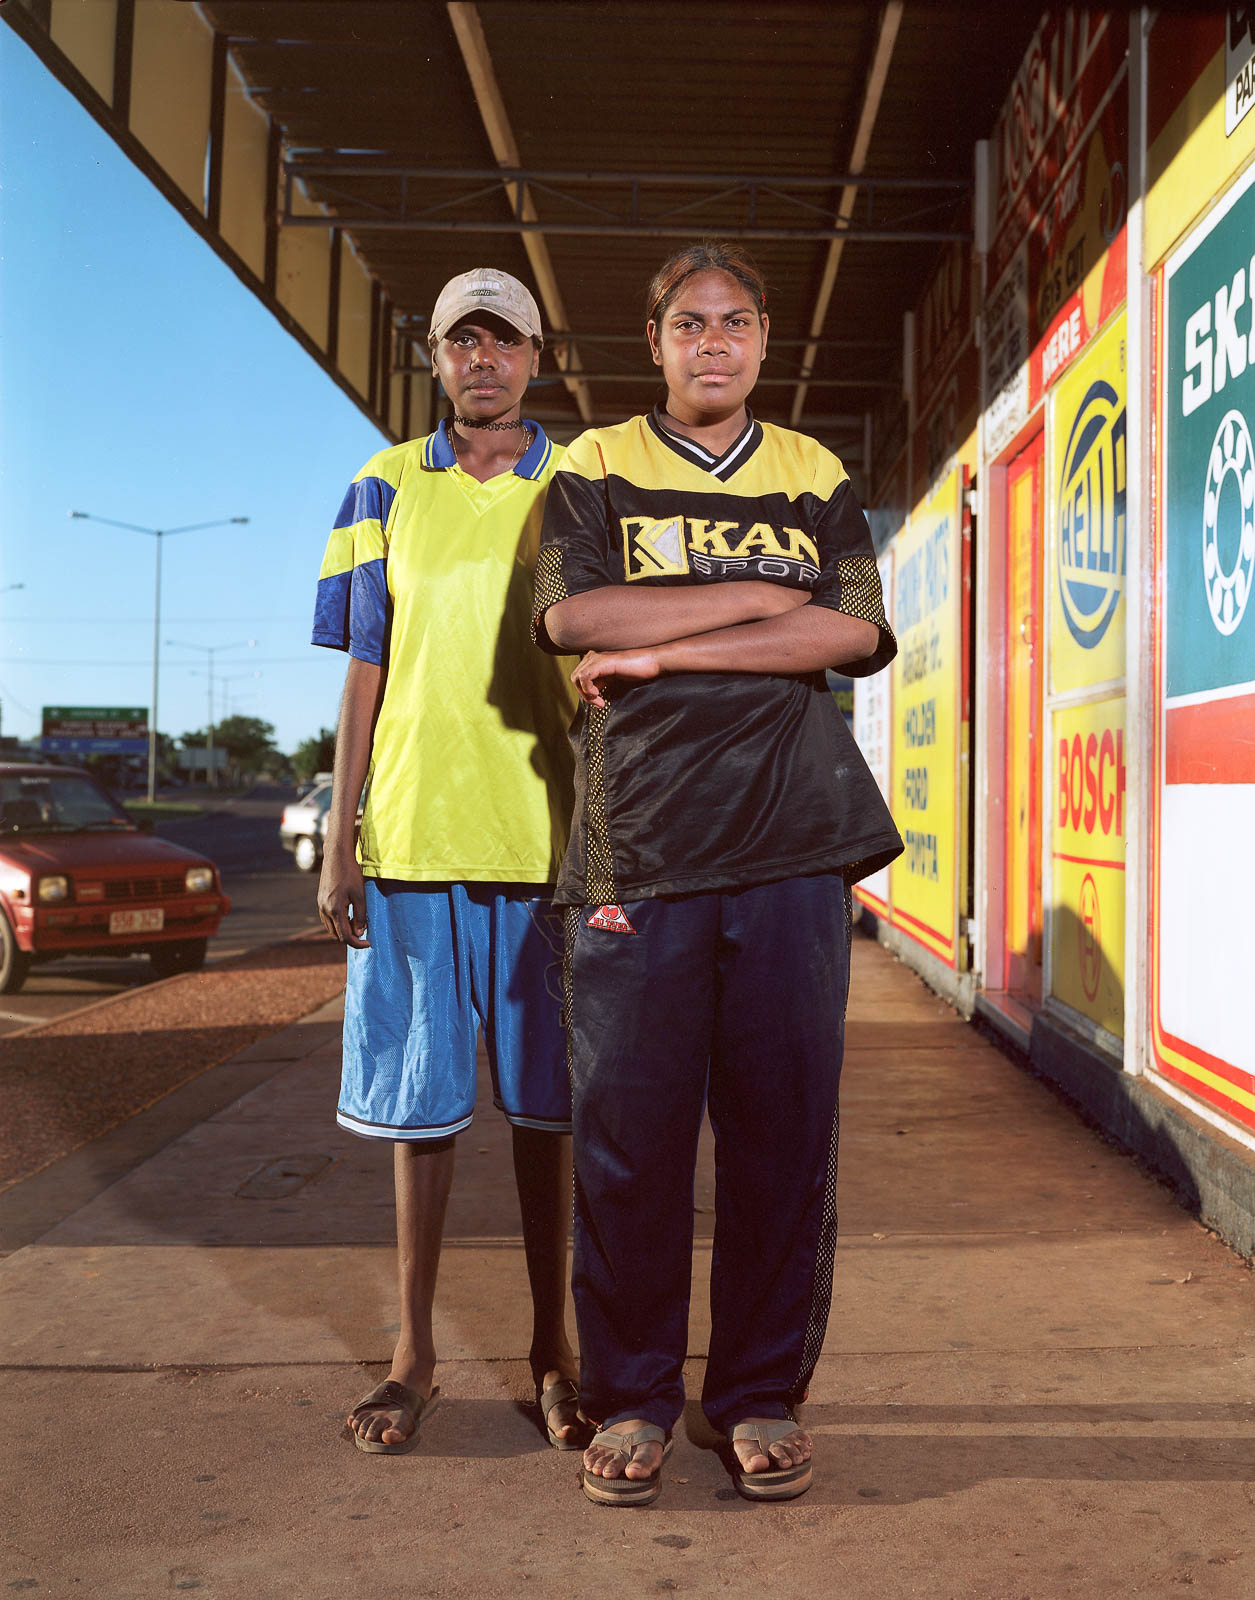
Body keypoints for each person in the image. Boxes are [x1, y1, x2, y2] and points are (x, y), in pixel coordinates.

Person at [532, 241, 902, 1505]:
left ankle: (754, 1394)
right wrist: (753, 595)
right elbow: (576, 618)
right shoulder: (591, 468)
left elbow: (849, 630)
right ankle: (628, 1396)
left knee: (780, 1139)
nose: (714, 342)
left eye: (736, 321)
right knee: (629, 1144)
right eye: (689, 323)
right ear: (654, 341)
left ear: (762, 338)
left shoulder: (817, 472)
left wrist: (667, 639)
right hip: (638, 841)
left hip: (794, 844)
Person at [312, 267, 586, 1456]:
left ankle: (555, 1353)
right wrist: (339, 836)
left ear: (536, 356)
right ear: (433, 356)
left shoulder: (579, 481)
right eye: (460, 341)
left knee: (551, 1116)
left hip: (544, 843)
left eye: (504, 341)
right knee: (419, 1117)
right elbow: (363, 664)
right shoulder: (381, 484)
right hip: (412, 839)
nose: (483, 360)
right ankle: (412, 1356)